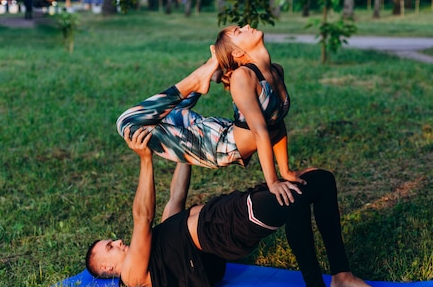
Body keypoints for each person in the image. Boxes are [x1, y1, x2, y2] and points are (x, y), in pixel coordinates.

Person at [85, 128, 386, 287]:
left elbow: (175, 198)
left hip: (221, 215)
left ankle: (342, 274)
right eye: (110, 247)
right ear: (109, 269)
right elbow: (142, 216)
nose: (118, 242)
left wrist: (183, 149)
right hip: (220, 230)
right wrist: (145, 159)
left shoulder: (155, 248)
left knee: (321, 180)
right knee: (291, 199)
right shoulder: (132, 276)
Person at [116, 24, 302, 206]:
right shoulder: (242, 77)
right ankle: (198, 80)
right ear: (236, 53)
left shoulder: (276, 70)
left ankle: (204, 76)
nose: (247, 25)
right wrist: (273, 182)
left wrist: (285, 170)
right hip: (212, 147)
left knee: (170, 113)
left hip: (218, 132)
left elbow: (276, 123)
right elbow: (260, 132)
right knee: (128, 123)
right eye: (239, 31)